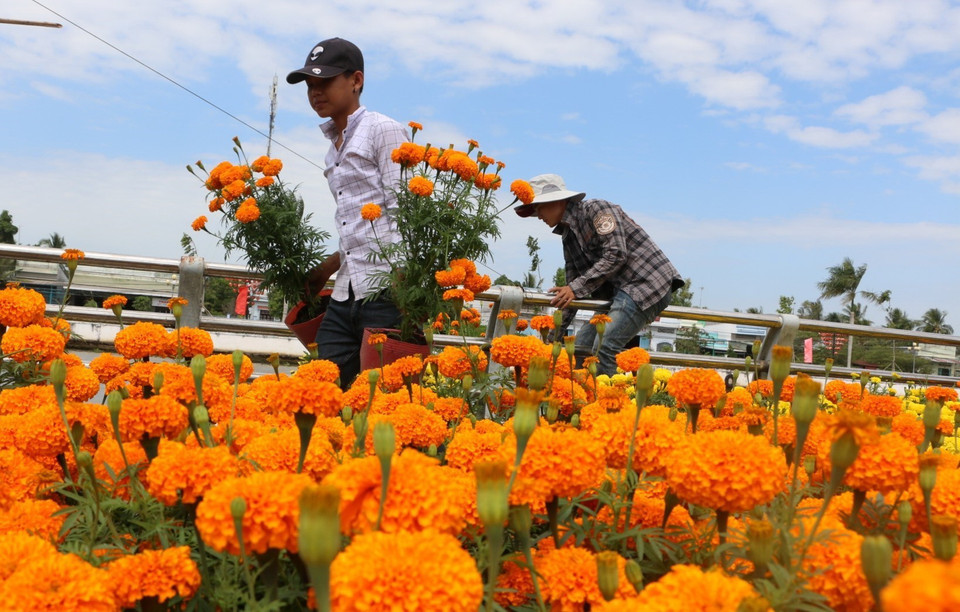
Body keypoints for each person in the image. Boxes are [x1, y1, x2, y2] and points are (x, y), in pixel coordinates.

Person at [288, 37, 407, 388]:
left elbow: (403, 210)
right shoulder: (333, 149)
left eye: (324, 81)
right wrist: (326, 268)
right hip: (345, 293)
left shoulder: (383, 130)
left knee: (381, 399)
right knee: (326, 389)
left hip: (385, 292)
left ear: (356, 80)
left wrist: (402, 286)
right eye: (310, 85)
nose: (315, 92)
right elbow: (357, 226)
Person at [514, 174, 684, 376]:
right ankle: (579, 393)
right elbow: (571, 290)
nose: (538, 215)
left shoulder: (597, 210)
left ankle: (607, 395)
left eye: (539, 207)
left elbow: (616, 253)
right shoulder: (568, 238)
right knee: (580, 346)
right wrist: (551, 339)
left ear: (557, 200)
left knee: (605, 346)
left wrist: (574, 289)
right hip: (619, 294)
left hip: (646, 283)